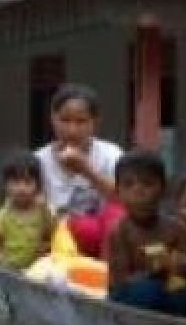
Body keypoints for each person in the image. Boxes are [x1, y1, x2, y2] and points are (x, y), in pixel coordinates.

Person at [105, 151, 186, 321]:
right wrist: (156, 270)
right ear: (118, 192)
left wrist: (183, 265)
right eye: (128, 185)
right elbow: (120, 281)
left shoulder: (175, 228)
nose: (138, 191)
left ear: (163, 190)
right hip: (130, 298)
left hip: (170, 293)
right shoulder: (119, 231)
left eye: (147, 184)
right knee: (150, 291)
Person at [35, 83, 124, 259]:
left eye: (81, 121)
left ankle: (109, 274)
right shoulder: (38, 161)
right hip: (57, 238)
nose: (72, 130)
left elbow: (127, 200)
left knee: (116, 213)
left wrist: (87, 171)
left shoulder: (111, 154)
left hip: (105, 239)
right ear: (53, 119)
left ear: (95, 122)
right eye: (65, 120)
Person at [0, 151, 54, 271]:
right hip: (10, 269)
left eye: (28, 182)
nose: (21, 188)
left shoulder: (41, 209)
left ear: (37, 186)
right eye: (15, 182)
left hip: (35, 270)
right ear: (6, 185)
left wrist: (47, 245)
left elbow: (52, 231)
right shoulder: (3, 215)